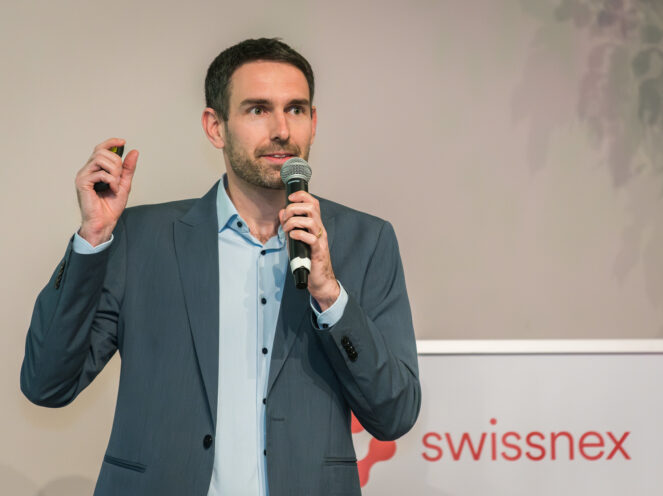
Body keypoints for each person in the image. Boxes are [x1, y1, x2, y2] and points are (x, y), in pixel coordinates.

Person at [21, 38, 420, 496]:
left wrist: (330, 296)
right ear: (216, 127)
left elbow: (395, 414)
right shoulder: (142, 238)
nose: (281, 130)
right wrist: (92, 239)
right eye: (257, 110)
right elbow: (47, 384)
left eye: (295, 109)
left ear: (313, 122)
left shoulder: (366, 241)